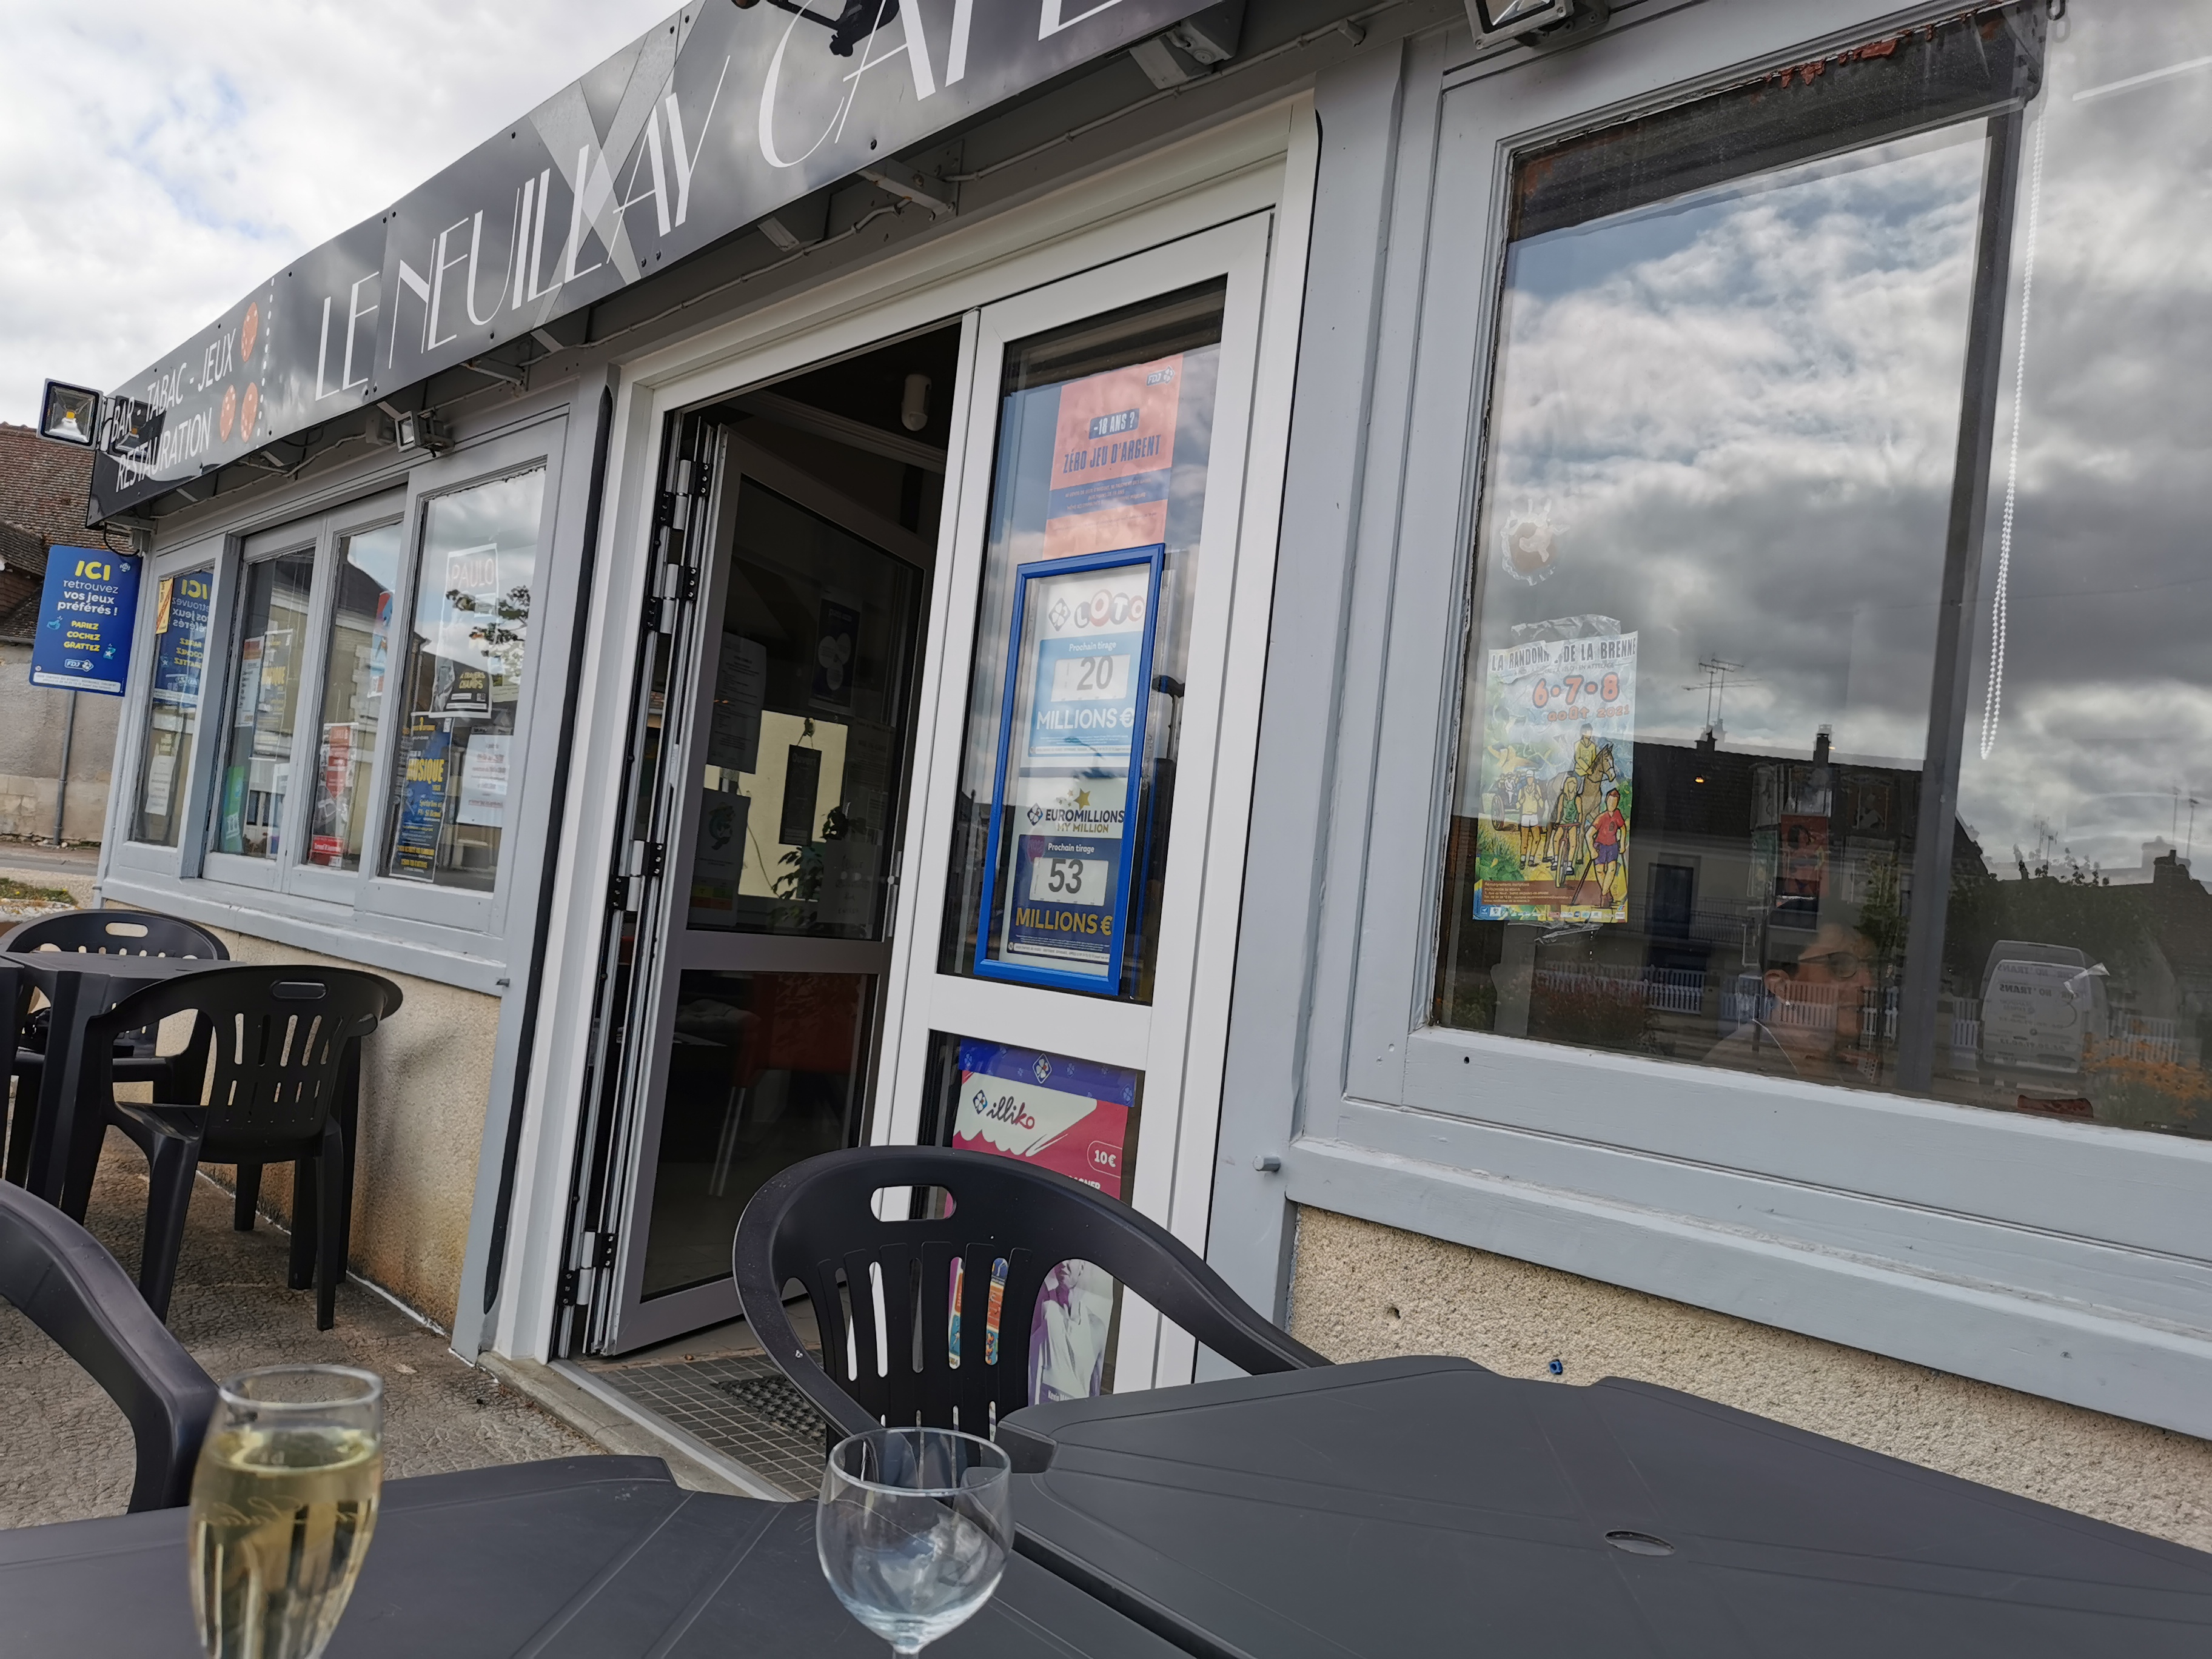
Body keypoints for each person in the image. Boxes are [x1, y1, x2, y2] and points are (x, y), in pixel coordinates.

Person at [1706, 921, 1882, 1082]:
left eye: (1872, 968)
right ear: (1781, 986)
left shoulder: (1852, 1078)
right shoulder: (1738, 1069)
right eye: (1840, 965)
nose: (1868, 983)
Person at [1587, 787, 1626, 905]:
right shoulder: (1601, 817)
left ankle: (1604, 896)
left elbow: (1623, 828)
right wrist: (1592, 850)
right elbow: (1589, 835)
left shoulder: (1617, 814)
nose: (1612, 804)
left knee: (1612, 869)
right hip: (1600, 846)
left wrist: (1622, 844)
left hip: (1612, 846)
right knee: (1600, 871)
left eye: (1614, 802)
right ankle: (1607, 892)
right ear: (1606, 801)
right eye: (1610, 801)